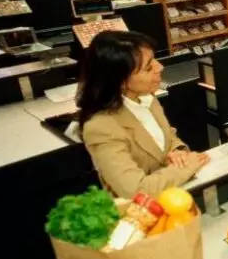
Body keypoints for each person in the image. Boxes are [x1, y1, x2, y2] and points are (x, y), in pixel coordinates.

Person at [78, 31, 209, 199]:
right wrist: (186, 167)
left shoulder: (147, 98)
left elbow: (167, 136)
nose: (160, 67)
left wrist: (177, 152)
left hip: (174, 197)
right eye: (148, 67)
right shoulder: (101, 128)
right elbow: (135, 191)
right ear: (121, 81)